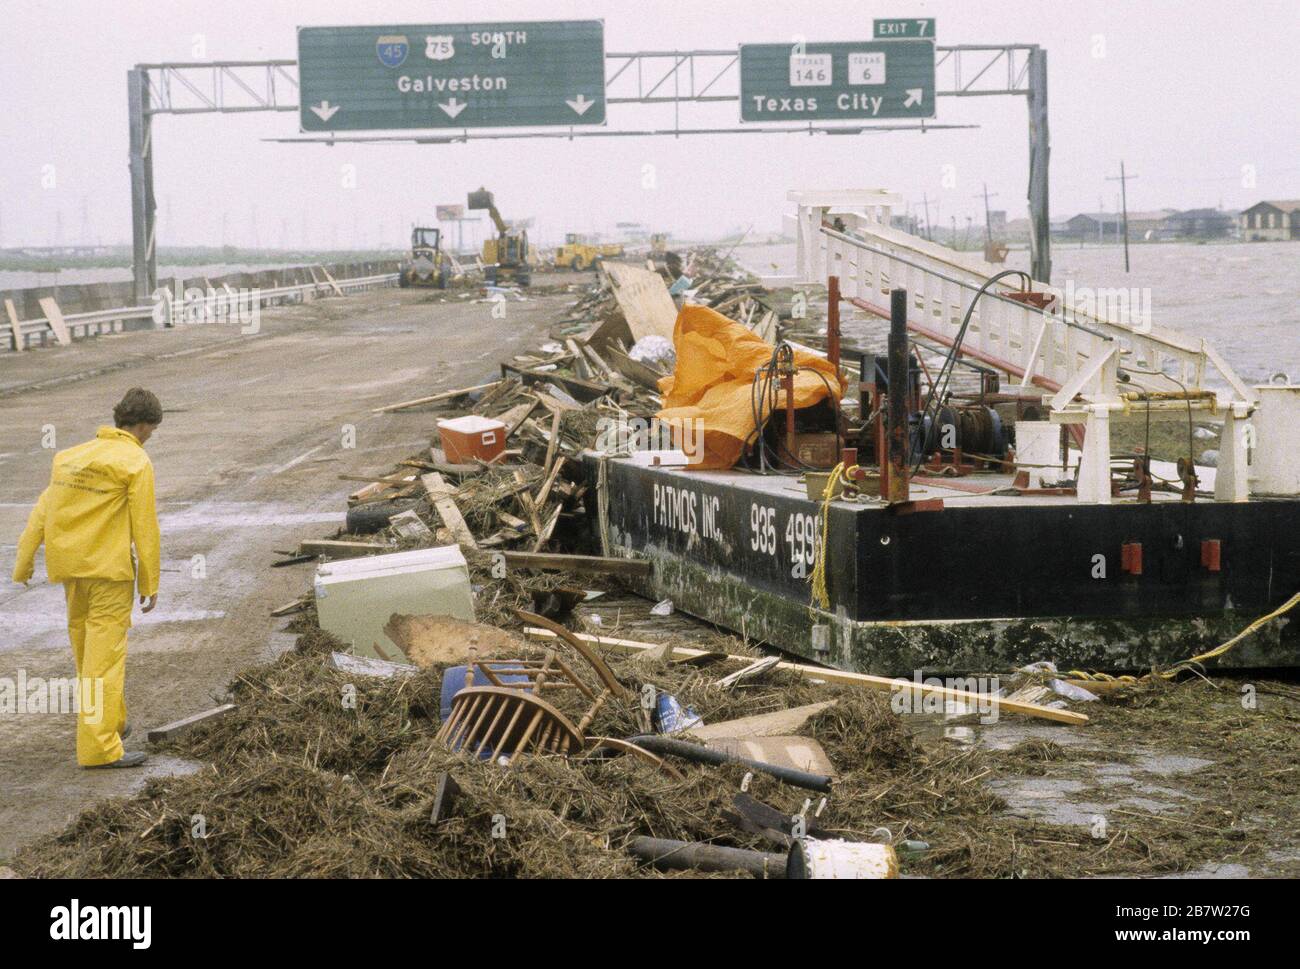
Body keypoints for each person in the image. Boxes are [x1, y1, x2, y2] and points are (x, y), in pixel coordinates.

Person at [12, 388, 163, 768]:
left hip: (71, 572)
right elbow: (145, 527)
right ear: (144, 426)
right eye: (152, 430)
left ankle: (110, 720)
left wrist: (24, 561)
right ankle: (99, 748)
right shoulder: (135, 461)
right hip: (109, 574)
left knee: (86, 655)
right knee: (105, 661)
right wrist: (150, 581)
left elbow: (43, 510)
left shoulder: (68, 458)